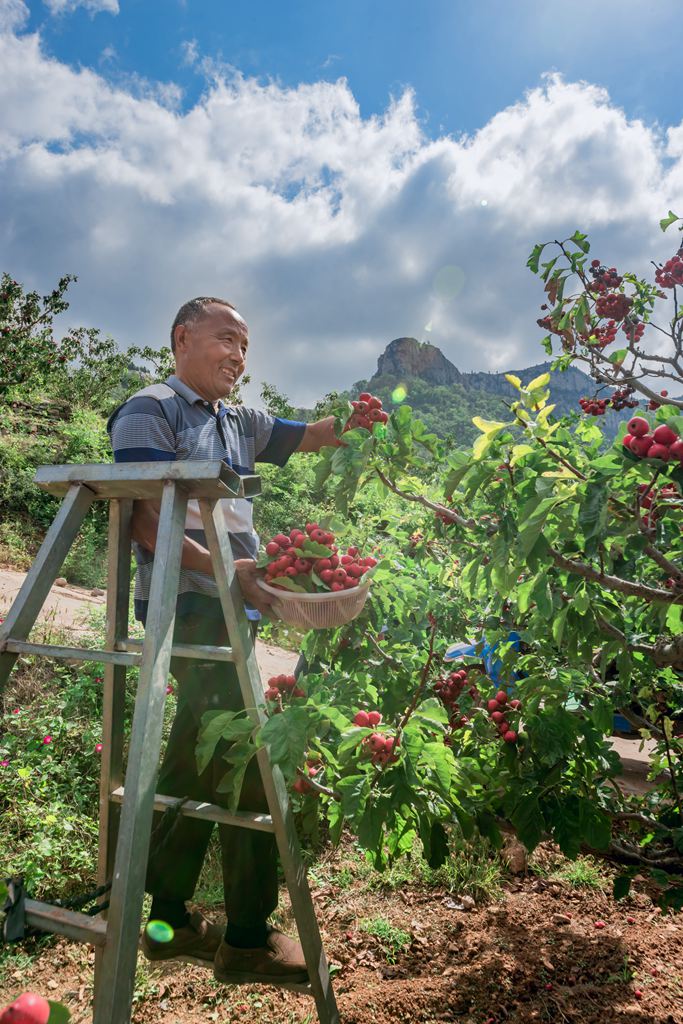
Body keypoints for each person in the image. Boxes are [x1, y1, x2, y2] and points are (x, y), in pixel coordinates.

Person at [107, 297, 338, 986]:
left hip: (235, 606)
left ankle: (168, 918)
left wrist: (360, 419)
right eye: (226, 339)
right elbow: (147, 521)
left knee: (198, 746)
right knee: (244, 748)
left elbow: (311, 435)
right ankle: (244, 938)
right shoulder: (152, 409)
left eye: (246, 346)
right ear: (182, 338)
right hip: (187, 602)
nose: (239, 355)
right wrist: (226, 572)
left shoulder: (241, 420)